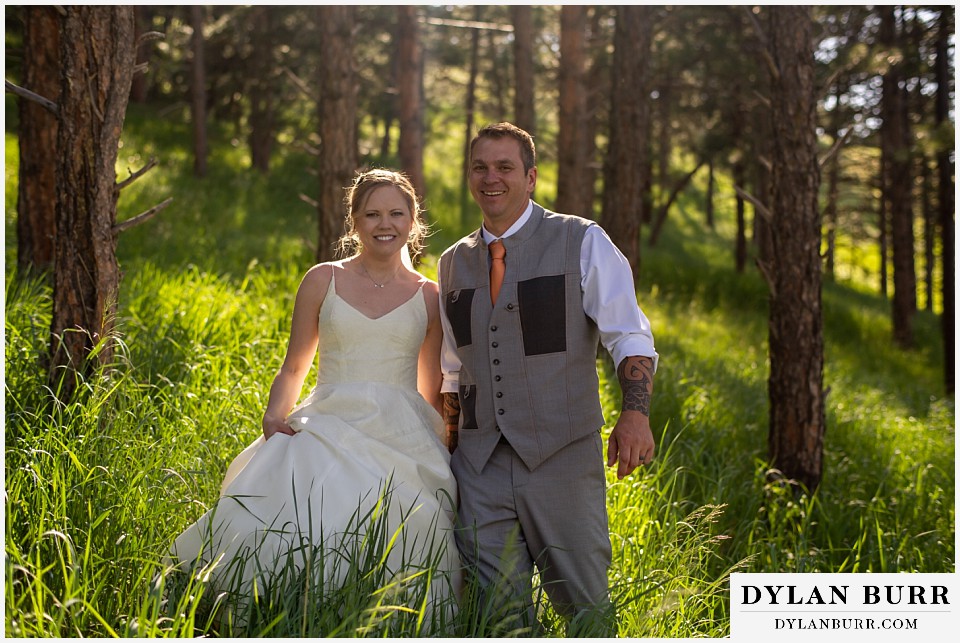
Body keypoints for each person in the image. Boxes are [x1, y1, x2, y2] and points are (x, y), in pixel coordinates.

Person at [166, 169, 461, 627]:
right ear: (355, 222)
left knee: (412, 518)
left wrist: (441, 442)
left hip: (401, 428)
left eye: (396, 213)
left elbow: (429, 386)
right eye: (373, 214)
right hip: (329, 418)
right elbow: (294, 365)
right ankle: (291, 612)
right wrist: (274, 417)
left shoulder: (428, 296)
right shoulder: (323, 280)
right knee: (301, 510)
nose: (385, 223)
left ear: (413, 220)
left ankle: (389, 619)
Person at [437, 122, 658, 634]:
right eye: (480, 167)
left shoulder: (581, 241)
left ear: (531, 176)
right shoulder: (452, 263)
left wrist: (635, 414)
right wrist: (447, 455)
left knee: (587, 613)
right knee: (498, 620)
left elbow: (628, 335)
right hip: (479, 466)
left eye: (505, 167)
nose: (491, 178)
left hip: (562, 456)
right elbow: (453, 371)